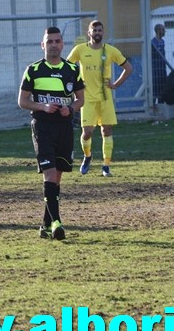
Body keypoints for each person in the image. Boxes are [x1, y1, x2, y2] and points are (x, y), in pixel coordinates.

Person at [18, 26, 85, 240]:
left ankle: (45, 224)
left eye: (57, 41)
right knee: (49, 173)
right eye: (50, 41)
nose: (54, 45)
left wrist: (71, 109)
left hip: (64, 128)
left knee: (57, 178)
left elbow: (80, 99)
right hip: (43, 127)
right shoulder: (33, 70)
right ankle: (57, 223)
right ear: (43, 44)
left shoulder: (72, 70)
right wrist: (43, 107)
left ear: (62, 44)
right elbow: (22, 101)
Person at [67, 20, 132, 177]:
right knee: (87, 132)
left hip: (105, 98)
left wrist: (115, 84)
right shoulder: (80, 50)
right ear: (89, 33)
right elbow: (66, 67)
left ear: (103, 33)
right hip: (87, 98)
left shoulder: (110, 50)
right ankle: (87, 156)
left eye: (100, 30)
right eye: (94, 30)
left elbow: (128, 68)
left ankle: (106, 166)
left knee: (106, 130)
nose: (97, 32)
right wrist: (75, 84)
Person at [151, 23, 167, 102]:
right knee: (155, 87)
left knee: (162, 86)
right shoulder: (153, 42)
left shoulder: (163, 41)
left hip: (162, 68)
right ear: (158, 31)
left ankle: (161, 104)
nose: (164, 31)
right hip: (155, 68)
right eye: (163, 30)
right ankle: (153, 105)